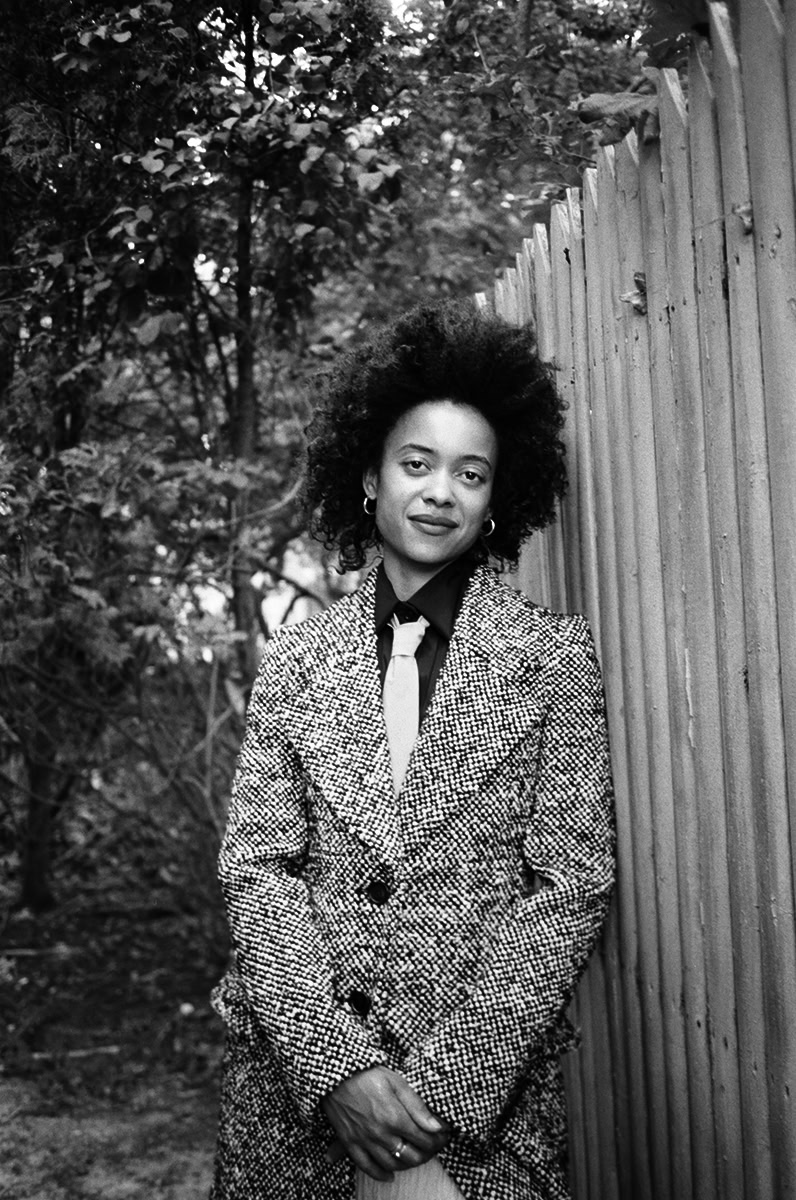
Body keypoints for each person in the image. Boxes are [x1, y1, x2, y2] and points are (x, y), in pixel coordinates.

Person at [210, 299, 615, 1200]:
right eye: (418, 464)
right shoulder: (298, 657)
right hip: (296, 1104)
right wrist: (338, 1071)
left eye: (471, 474)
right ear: (370, 477)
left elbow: (571, 882)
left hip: (478, 1117)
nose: (441, 492)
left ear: (494, 502)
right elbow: (256, 869)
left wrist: (440, 1092)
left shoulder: (551, 657)